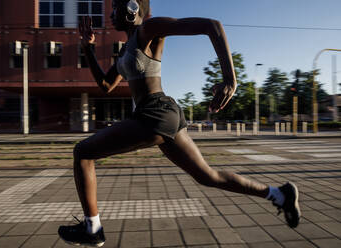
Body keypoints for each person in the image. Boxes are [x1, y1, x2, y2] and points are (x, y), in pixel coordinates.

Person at [58, 0, 301, 246]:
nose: (110, 14)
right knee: (208, 176)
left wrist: (230, 78)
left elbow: (212, 26)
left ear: (133, 8)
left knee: (83, 152)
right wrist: (87, 48)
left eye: (116, 6)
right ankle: (279, 194)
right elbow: (106, 85)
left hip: (154, 113)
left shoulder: (149, 29)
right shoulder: (125, 50)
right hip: (161, 114)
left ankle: (92, 228)